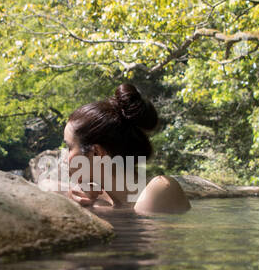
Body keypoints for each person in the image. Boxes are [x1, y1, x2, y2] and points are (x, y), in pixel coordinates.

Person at [59, 83, 190, 215]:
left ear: (97, 153)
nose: (64, 159)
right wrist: (75, 202)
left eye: (69, 147)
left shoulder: (160, 190)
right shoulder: (100, 198)